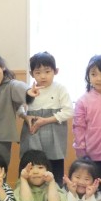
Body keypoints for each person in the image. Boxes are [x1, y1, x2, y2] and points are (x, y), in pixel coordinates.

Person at [20, 52, 73, 185]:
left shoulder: (60, 88)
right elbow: (18, 107)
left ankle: (56, 194)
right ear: (31, 73)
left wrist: (46, 120)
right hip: (33, 135)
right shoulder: (28, 90)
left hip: (54, 135)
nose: (43, 76)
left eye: (47, 71)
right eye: (38, 72)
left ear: (56, 71)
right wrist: (26, 116)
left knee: (55, 170)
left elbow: (69, 111)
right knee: (32, 166)